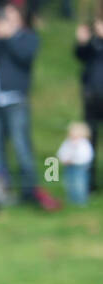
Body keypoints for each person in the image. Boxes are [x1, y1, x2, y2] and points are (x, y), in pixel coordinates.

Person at [0, 5, 57, 209]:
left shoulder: (28, 37)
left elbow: (24, 57)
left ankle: (30, 190)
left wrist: (9, 36)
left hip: (17, 100)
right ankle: (4, 190)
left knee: (21, 147)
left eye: (10, 15)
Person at [74, 16, 103, 193]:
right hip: (92, 94)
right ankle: (89, 183)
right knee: (90, 140)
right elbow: (80, 56)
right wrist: (82, 41)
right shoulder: (94, 42)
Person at [58, 120, 94, 205]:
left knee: (79, 183)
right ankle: (72, 198)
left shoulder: (83, 144)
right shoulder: (68, 142)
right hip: (69, 166)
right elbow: (62, 152)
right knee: (69, 182)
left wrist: (74, 161)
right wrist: (63, 159)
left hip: (79, 167)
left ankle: (81, 200)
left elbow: (85, 156)